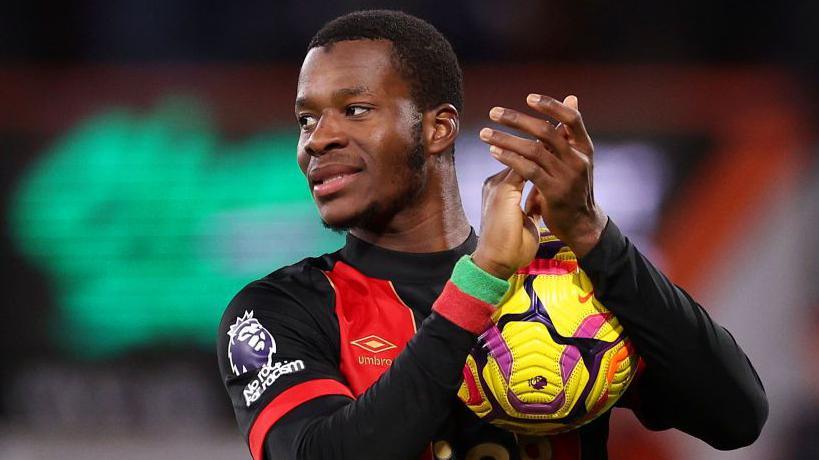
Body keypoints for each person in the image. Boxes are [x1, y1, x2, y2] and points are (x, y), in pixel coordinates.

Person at [217, 10, 768, 460]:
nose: (318, 140)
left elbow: (736, 416)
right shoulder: (276, 311)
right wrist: (482, 281)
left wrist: (590, 232)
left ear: (437, 128)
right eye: (306, 121)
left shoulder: (571, 287)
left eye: (354, 110)